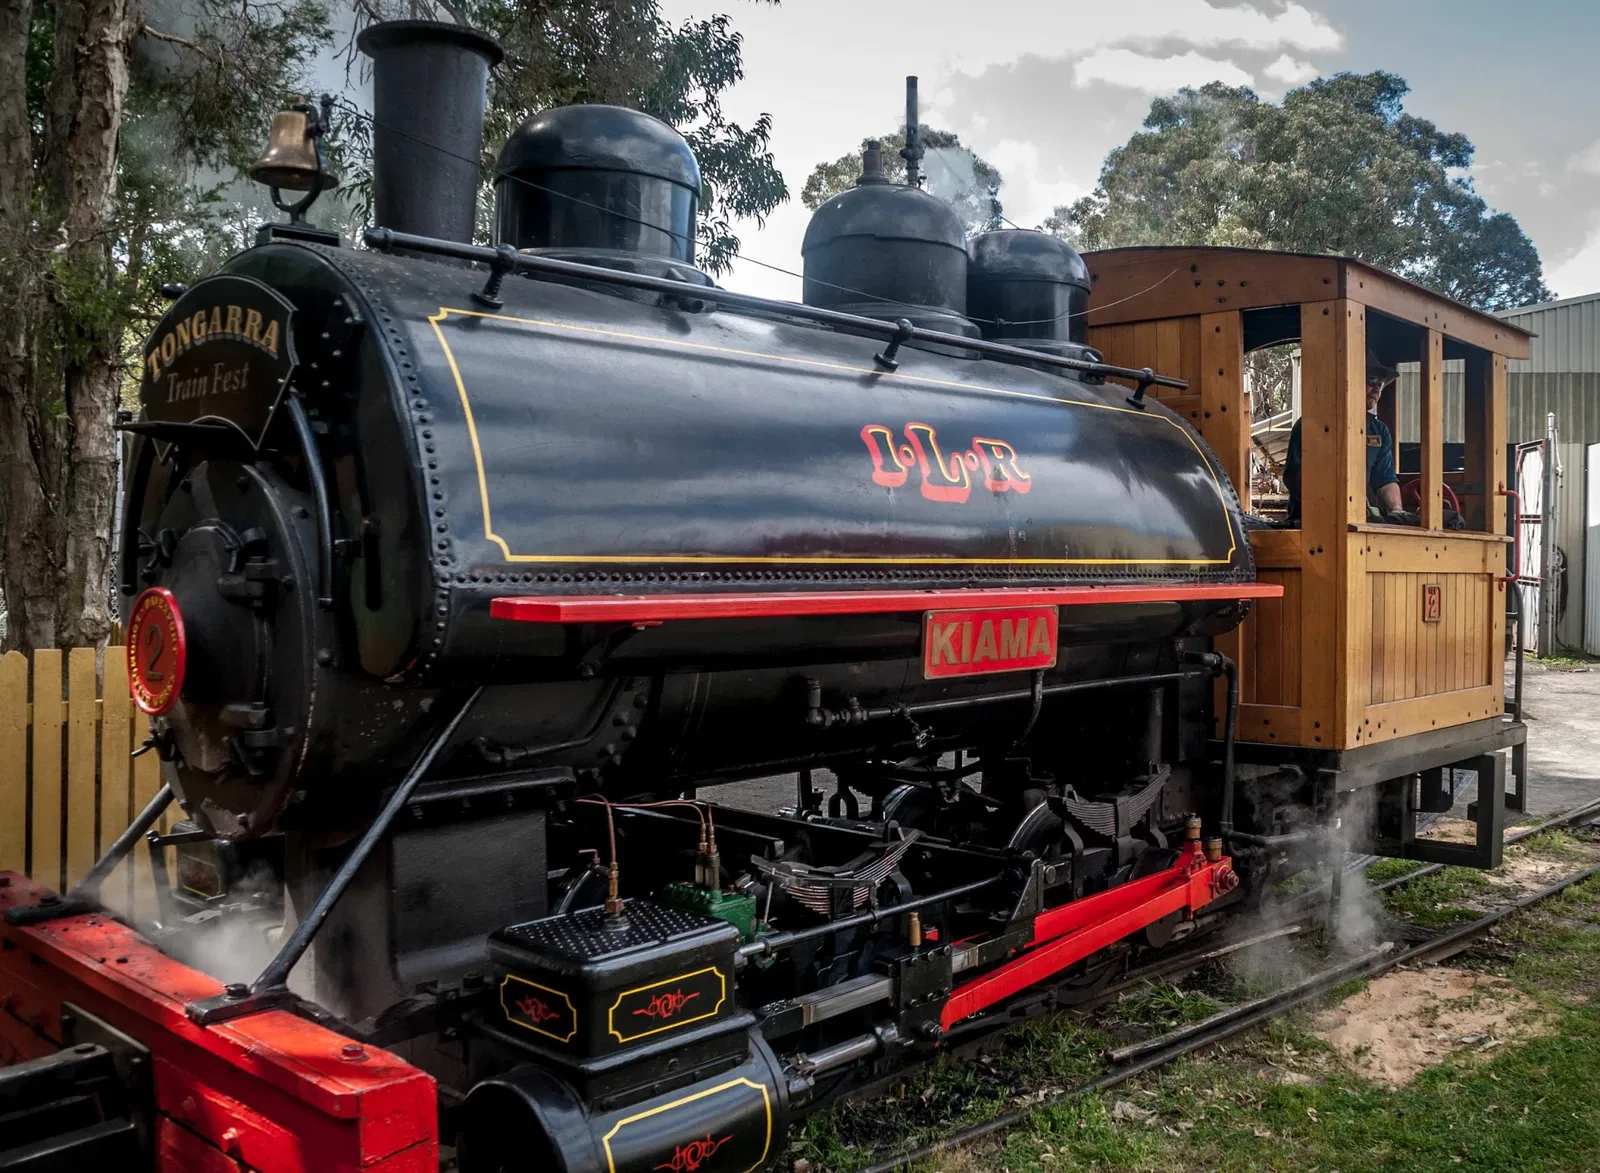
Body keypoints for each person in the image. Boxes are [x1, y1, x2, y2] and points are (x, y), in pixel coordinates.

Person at [1283, 352, 1404, 525]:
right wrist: (1338, 499)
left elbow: (1385, 479)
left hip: (1356, 522)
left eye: (1380, 384)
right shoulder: (1311, 424)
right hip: (1310, 521)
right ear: (1350, 380)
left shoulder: (1379, 431)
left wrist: (1397, 510)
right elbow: (1294, 476)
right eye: (1371, 380)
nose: (1376, 389)